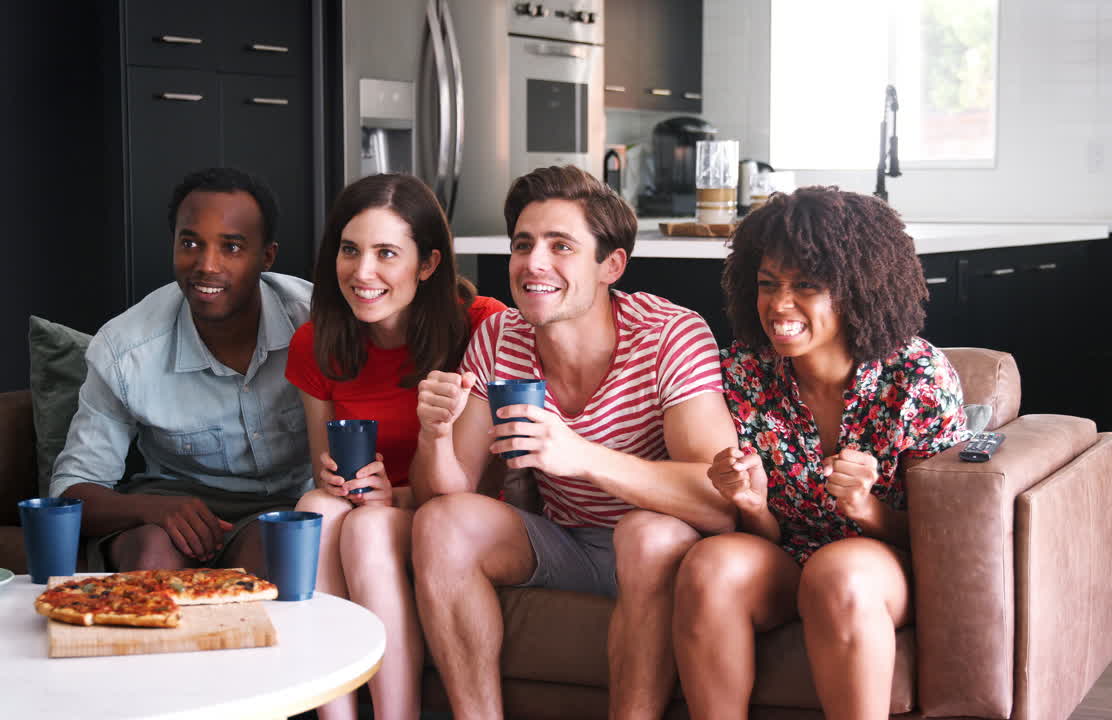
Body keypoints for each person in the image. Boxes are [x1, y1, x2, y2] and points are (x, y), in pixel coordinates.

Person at [410, 165, 738, 720]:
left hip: (657, 546)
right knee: (441, 523)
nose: (534, 263)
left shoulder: (669, 334)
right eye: (523, 245)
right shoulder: (499, 336)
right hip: (565, 541)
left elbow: (719, 499)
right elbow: (447, 493)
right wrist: (434, 436)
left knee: (646, 535)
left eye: (561, 246)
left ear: (611, 265)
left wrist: (581, 457)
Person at [671, 187, 971, 720]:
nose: (778, 305)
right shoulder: (742, 371)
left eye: (806, 285)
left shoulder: (917, 377)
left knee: (837, 572)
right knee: (710, 564)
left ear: (857, 289)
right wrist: (752, 505)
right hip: (786, 561)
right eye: (768, 284)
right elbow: (767, 536)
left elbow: (943, 537)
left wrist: (865, 509)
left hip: (879, 569)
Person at [286, 173, 505, 720]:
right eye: (350, 250)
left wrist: (397, 497)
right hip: (374, 506)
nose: (362, 272)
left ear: (427, 264)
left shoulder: (483, 326)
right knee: (315, 509)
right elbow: (323, 468)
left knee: (368, 527)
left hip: (455, 515)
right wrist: (338, 481)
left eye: (386, 253)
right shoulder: (315, 342)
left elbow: (487, 482)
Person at [50, 167, 313, 578]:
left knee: (275, 550)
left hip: (288, 507)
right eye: (190, 243)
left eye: (231, 247)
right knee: (153, 555)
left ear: (267, 256)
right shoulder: (125, 350)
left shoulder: (318, 324)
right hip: (168, 508)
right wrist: (151, 509)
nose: (206, 265)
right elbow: (71, 491)